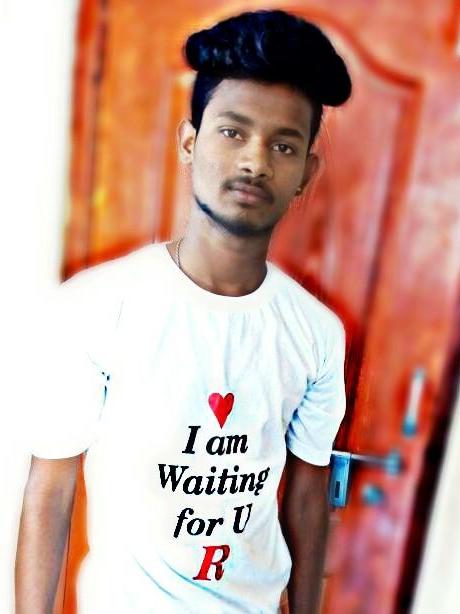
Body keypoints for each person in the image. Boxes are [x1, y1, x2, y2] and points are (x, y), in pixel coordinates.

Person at [15, 8, 351, 614]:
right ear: (190, 141)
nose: (255, 161)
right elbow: (51, 487)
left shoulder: (316, 334)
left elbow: (307, 491)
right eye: (232, 132)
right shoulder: (97, 307)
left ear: (306, 172)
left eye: (283, 145)